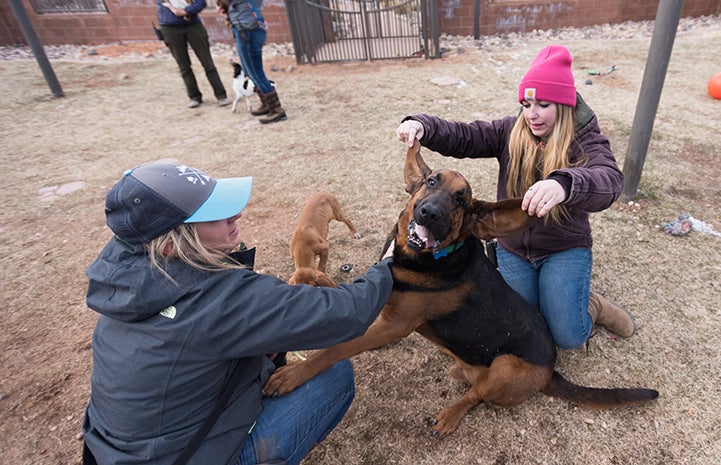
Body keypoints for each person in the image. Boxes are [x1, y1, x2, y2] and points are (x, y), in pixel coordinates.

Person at [81, 162, 394, 465]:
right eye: (214, 215)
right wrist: (388, 264)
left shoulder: (126, 281)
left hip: (117, 451)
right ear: (171, 244)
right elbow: (347, 313)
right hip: (182, 456)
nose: (236, 215)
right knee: (334, 374)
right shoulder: (217, 300)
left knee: (264, 358)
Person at [395, 45, 636, 351]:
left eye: (543, 104)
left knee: (566, 336)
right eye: (526, 103)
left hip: (563, 249)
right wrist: (424, 126)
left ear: (563, 105)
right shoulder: (511, 130)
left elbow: (610, 181)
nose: (532, 114)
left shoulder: (583, 140)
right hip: (512, 250)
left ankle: (594, 305)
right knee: (526, 324)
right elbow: (465, 136)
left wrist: (564, 185)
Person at [217, 0, 287, 124]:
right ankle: (267, 103)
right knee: (249, 70)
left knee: (255, 71)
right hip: (242, 28)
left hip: (249, 29)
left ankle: (277, 109)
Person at [157, 0, 231, 109]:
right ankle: (194, 96)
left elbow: (201, 2)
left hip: (193, 25)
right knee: (184, 66)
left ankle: (221, 95)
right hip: (169, 27)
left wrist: (185, 12)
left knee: (207, 62)